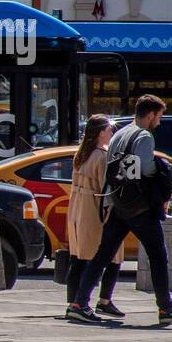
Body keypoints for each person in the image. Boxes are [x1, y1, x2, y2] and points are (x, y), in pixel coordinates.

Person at [68, 94, 172, 323]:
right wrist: (161, 173)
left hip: (118, 203)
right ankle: (165, 307)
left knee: (102, 254)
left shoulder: (120, 134)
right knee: (158, 254)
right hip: (139, 206)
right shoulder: (143, 136)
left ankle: (79, 303)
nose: (159, 122)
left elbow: (114, 169)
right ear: (149, 115)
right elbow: (146, 167)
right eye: (158, 117)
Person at [65, 115, 124, 316]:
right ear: (100, 133)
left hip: (77, 208)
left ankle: (73, 301)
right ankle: (103, 300)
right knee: (113, 256)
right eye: (109, 130)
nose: (111, 133)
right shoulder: (102, 156)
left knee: (78, 256)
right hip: (95, 210)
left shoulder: (81, 154)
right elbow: (105, 188)